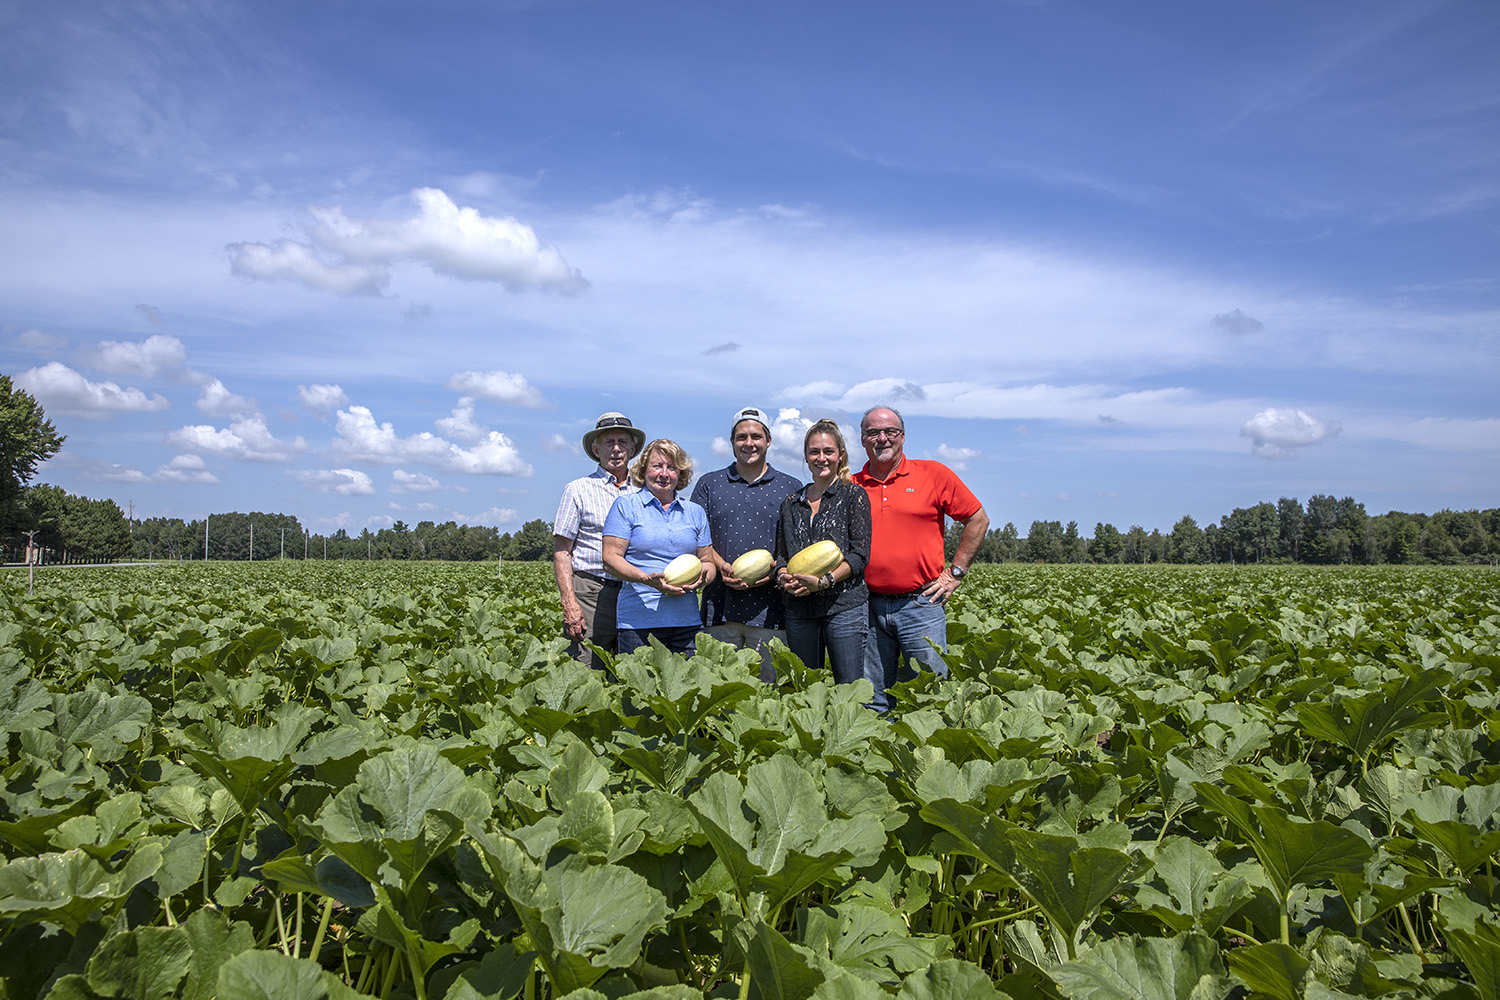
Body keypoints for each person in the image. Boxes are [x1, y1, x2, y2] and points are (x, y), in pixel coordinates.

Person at [855, 405, 989, 712]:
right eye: (873, 432)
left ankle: (926, 757)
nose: (882, 439)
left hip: (921, 604)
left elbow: (977, 519)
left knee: (929, 697)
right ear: (863, 440)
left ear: (903, 437)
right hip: (867, 605)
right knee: (871, 699)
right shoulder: (852, 485)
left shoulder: (933, 474)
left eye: (891, 432)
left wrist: (955, 573)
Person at [690, 406, 800, 681]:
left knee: (767, 697)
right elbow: (694, 536)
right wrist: (720, 565)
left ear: (768, 441)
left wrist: (773, 569)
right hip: (718, 612)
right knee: (717, 693)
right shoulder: (709, 484)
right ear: (731, 442)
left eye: (755, 436)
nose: (748, 443)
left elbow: (795, 543)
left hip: (772, 615)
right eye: (741, 437)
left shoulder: (791, 486)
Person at [774, 420, 871, 685]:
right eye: (814, 451)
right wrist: (783, 576)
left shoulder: (854, 496)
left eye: (828, 451)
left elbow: (860, 554)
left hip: (844, 606)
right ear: (806, 456)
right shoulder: (791, 503)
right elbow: (781, 555)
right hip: (799, 608)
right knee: (806, 686)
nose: (821, 458)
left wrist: (824, 582)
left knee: (848, 687)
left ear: (841, 454)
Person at [602, 438, 715, 656]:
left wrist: (702, 579)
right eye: (657, 466)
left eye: (671, 467)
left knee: (688, 687)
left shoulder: (695, 512)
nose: (664, 473)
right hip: (638, 622)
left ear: (680, 474)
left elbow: (707, 562)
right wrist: (647, 579)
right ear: (644, 470)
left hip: (687, 622)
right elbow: (610, 558)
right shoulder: (626, 506)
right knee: (640, 688)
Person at [553, 412, 645, 669]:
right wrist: (569, 603)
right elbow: (562, 551)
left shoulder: (645, 491)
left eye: (623, 442)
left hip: (636, 593)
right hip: (591, 592)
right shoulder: (578, 489)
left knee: (633, 671)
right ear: (596, 448)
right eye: (609, 442)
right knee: (585, 669)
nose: (616, 448)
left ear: (633, 448)